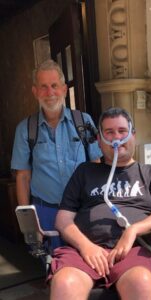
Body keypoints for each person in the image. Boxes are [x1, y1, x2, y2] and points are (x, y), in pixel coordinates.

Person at [49, 107, 151, 300]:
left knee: (141, 281)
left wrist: (132, 230)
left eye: (122, 131)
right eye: (109, 132)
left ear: (133, 135)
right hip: (83, 254)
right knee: (65, 283)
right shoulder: (84, 172)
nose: (116, 137)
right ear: (99, 140)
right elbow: (63, 220)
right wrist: (86, 247)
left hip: (131, 253)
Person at [11, 59, 102, 248]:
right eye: (43, 87)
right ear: (35, 92)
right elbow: (23, 177)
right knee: (51, 265)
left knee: (87, 261)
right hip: (45, 211)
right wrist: (29, 223)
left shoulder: (83, 122)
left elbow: (96, 164)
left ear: (64, 89)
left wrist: (98, 208)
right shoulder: (25, 129)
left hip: (81, 209)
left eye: (54, 86)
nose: (49, 93)